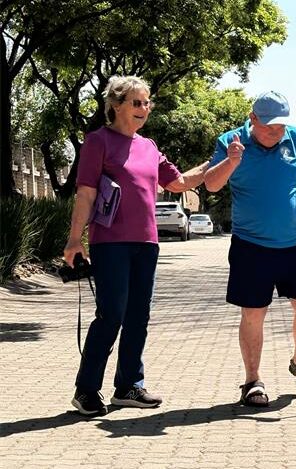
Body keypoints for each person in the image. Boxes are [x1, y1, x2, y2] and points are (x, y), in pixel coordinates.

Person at [63, 75, 208, 416]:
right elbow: (85, 193)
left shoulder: (150, 146)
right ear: (116, 106)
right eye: (137, 103)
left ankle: (128, 385)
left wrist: (222, 160)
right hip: (110, 242)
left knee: (138, 317)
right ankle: (86, 390)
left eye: (147, 103)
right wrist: (74, 239)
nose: (145, 109)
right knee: (111, 315)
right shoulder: (97, 141)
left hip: (147, 242)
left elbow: (178, 182)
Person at [205, 91, 296, 407]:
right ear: (253, 118)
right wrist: (231, 161)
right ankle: (252, 381)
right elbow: (211, 184)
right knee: (254, 312)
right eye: (270, 126)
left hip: (295, 242)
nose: (277, 131)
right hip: (250, 245)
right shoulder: (230, 141)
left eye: (281, 125)